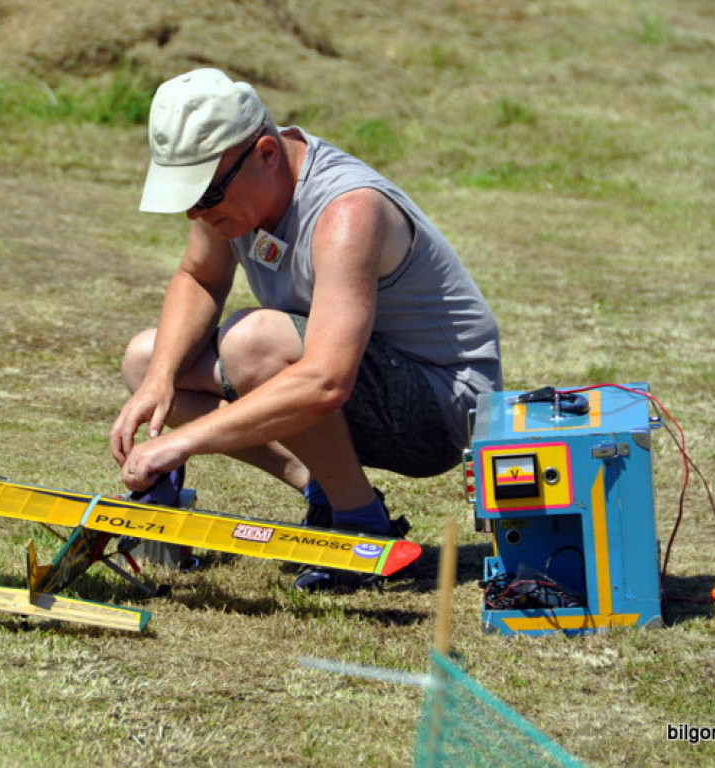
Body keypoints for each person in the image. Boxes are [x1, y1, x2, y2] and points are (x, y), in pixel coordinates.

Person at [110, 68, 501, 591]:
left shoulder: (347, 211)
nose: (194, 212)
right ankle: (318, 486)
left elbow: (325, 381)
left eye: (204, 194)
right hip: (354, 380)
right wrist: (159, 380)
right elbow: (199, 277)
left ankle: (361, 524)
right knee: (146, 356)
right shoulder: (233, 187)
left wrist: (180, 444)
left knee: (255, 342)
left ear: (267, 154)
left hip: (440, 409)